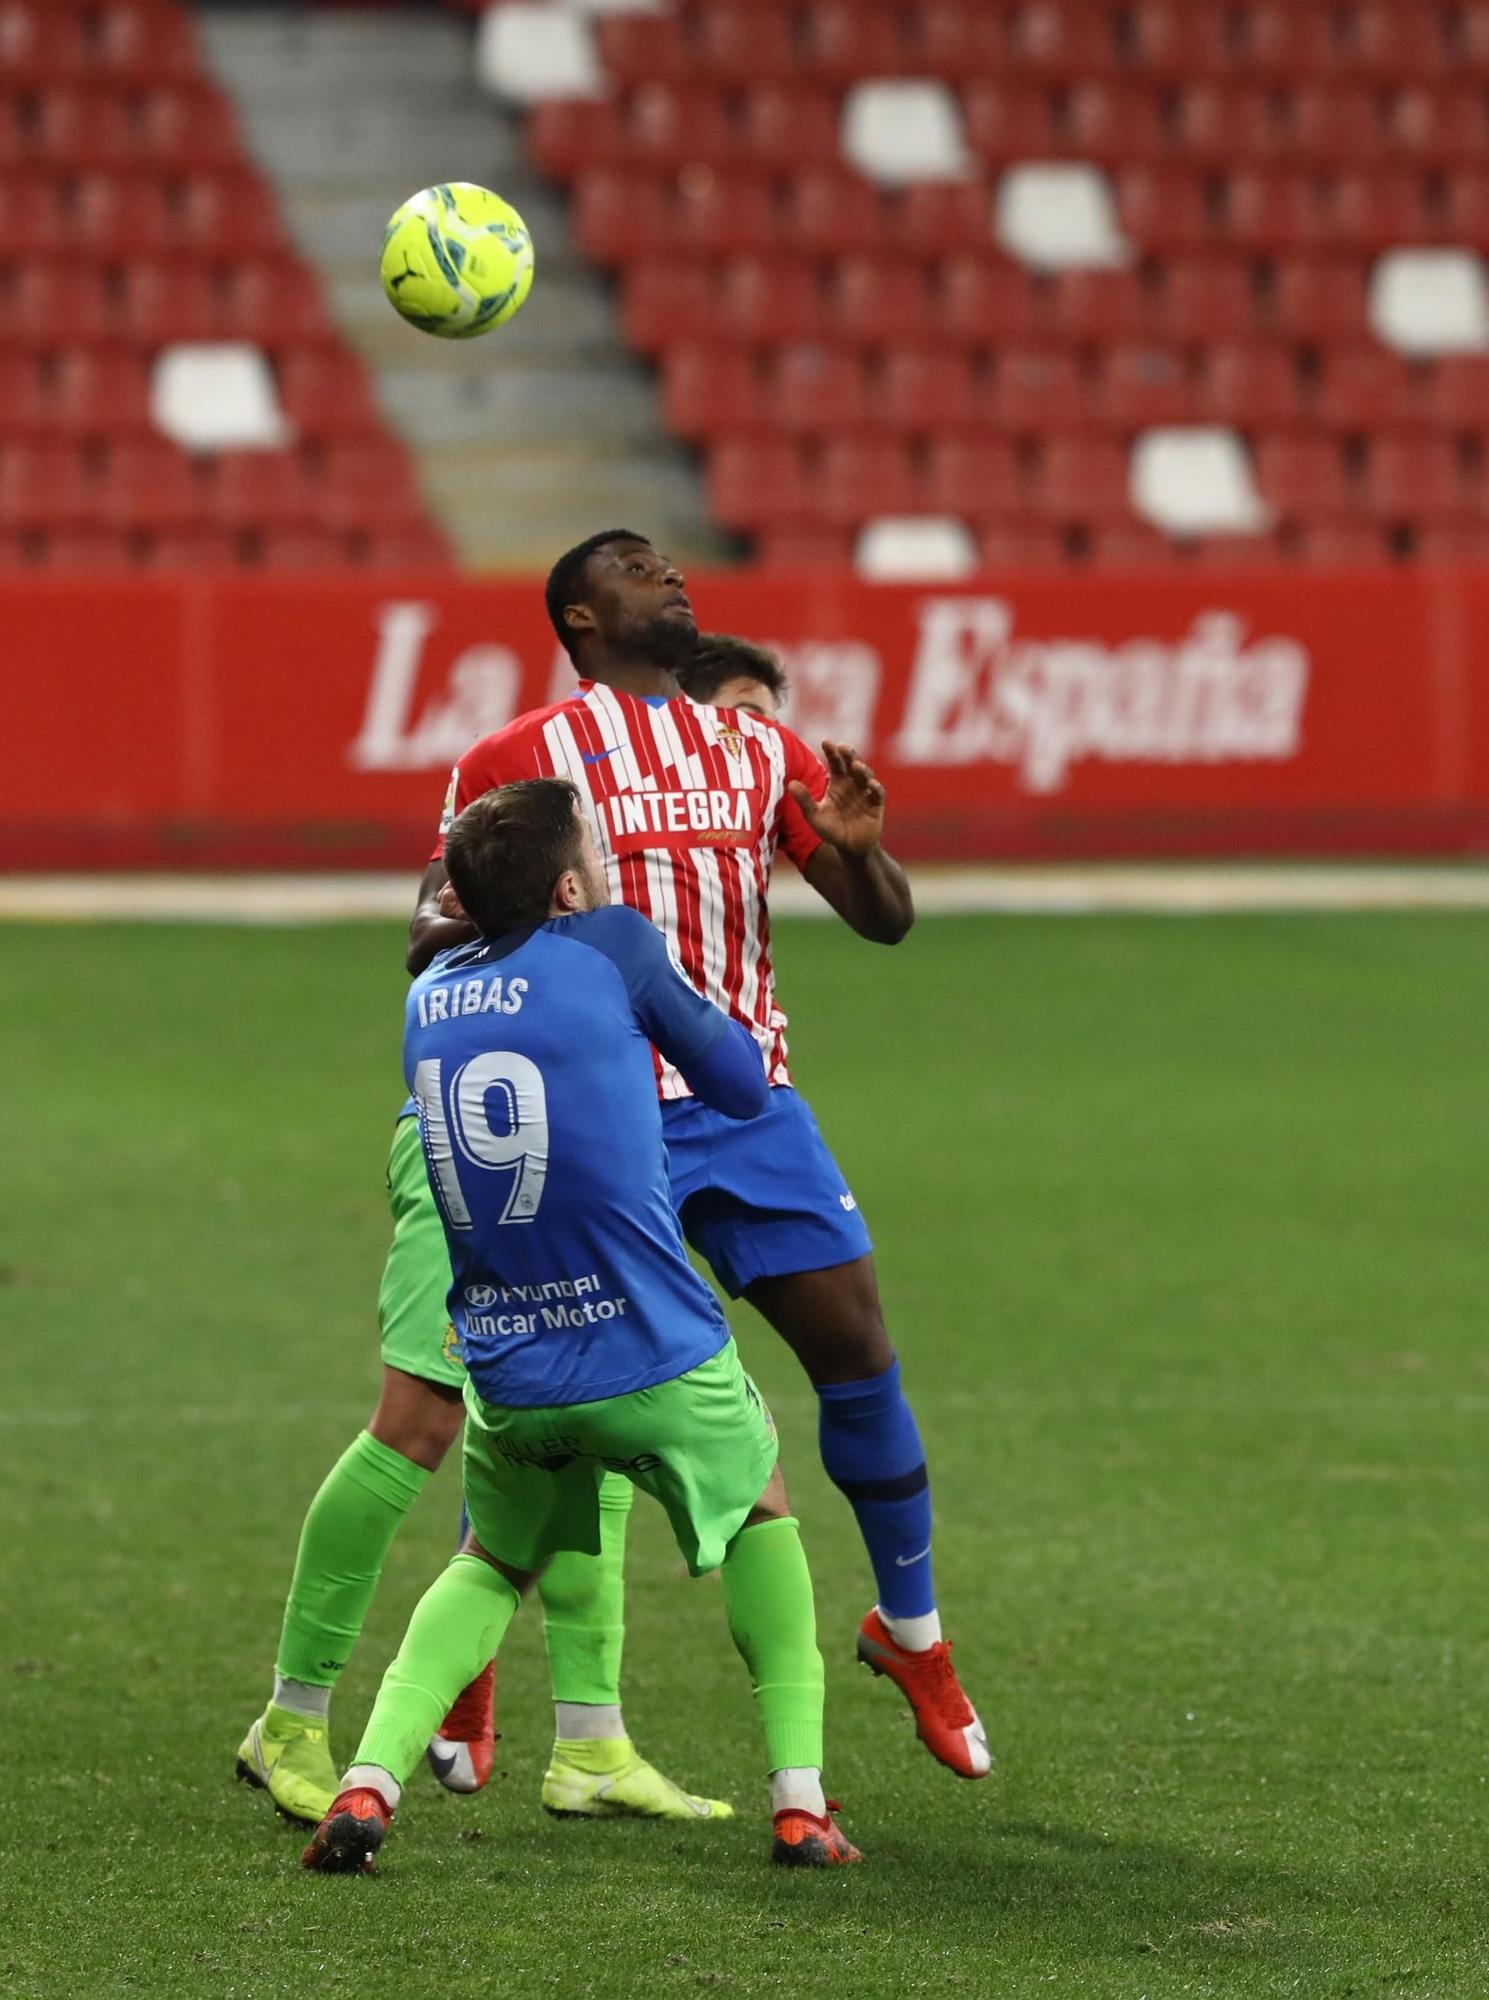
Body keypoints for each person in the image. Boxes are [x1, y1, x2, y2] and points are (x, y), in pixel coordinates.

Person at [409, 532, 991, 1782]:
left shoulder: (757, 748)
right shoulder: (515, 759)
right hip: (589, 1121)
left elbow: (881, 921)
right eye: (632, 564)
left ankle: (913, 1631)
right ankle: (467, 1691)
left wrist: (860, 845)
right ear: (577, 615)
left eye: (669, 560)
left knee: (858, 1349)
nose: (668, 572)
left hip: (742, 1103)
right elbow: (427, 933)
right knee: (557, 1390)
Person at [236, 632, 805, 1828]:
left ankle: (590, 1740)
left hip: (545, 1138)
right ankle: (291, 1711)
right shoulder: (547, 875)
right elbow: (442, 937)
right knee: (417, 1418)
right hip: (489, 1153)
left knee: (583, 1393)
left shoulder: (501, 921)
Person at [302, 779, 858, 1873]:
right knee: (761, 1506)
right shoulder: (611, 940)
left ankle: (367, 1782)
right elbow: (741, 1086)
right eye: (595, 851)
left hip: (508, 1367)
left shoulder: (428, 996)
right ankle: (799, 1798)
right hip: (651, 1344)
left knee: (488, 1559)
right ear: (567, 884)